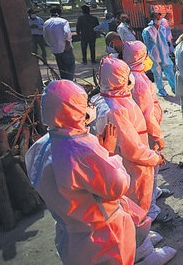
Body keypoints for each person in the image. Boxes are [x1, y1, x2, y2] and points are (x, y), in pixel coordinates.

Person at [25, 80, 136, 264]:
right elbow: (117, 186)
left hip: (71, 235)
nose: (89, 108)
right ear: (73, 110)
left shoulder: (40, 146)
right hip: (102, 237)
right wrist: (108, 153)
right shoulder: (81, 150)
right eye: (83, 104)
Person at [91, 57, 164, 225]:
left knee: (134, 201)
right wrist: (154, 157)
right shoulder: (116, 109)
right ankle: (143, 246)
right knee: (138, 202)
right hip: (134, 163)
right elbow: (132, 148)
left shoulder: (108, 100)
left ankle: (142, 235)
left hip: (129, 159)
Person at [120, 40, 173, 223]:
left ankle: (154, 192)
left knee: (153, 168)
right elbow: (147, 113)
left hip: (144, 131)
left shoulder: (132, 76)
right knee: (147, 171)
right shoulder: (139, 81)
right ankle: (150, 211)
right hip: (146, 133)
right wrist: (157, 136)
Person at [142, 11, 176, 97]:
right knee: (157, 72)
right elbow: (146, 43)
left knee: (169, 70)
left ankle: (174, 87)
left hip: (164, 53)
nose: (158, 19)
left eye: (159, 18)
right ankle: (161, 89)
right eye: (156, 18)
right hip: (154, 54)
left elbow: (165, 40)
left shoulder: (162, 29)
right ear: (152, 19)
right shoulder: (147, 31)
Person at [43, 8, 76, 80]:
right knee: (70, 67)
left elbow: (45, 37)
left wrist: (51, 45)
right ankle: (70, 84)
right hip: (65, 48)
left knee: (62, 69)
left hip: (55, 50)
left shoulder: (46, 23)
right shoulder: (63, 21)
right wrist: (67, 43)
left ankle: (64, 83)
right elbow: (67, 33)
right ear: (59, 14)